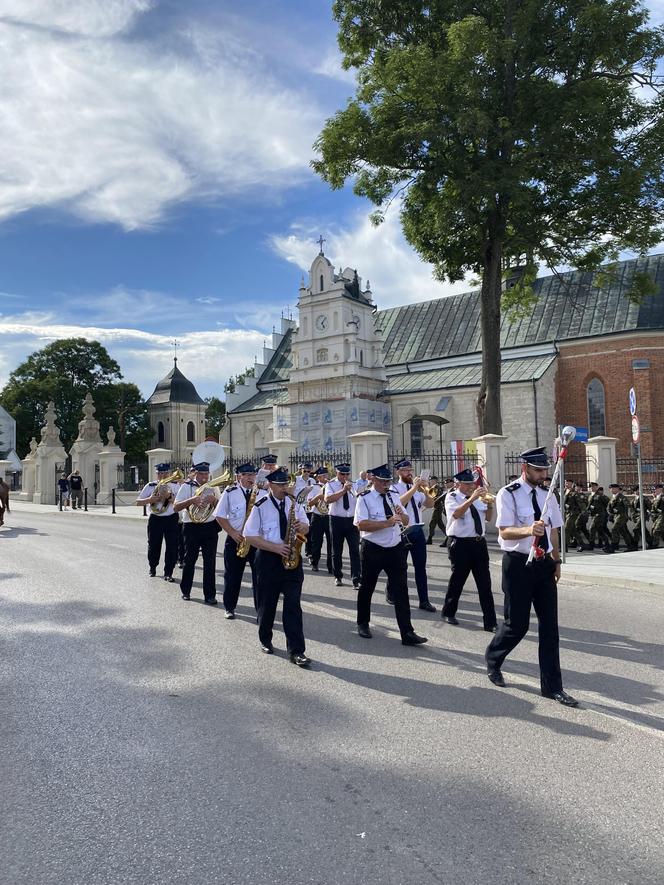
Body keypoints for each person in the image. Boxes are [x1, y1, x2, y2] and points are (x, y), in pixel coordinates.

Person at [485, 446, 578, 707]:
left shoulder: (548, 495)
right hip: (518, 565)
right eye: (538, 470)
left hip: (544, 564)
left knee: (550, 628)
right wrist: (528, 529)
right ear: (524, 468)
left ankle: (552, 687)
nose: (542, 474)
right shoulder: (508, 494)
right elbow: (504, 532)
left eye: (545, 470)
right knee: (517, 625)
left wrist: (557, 560)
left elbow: (554, 531)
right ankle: (493, 658)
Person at [243, 467, 310, 666]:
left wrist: (302, 527)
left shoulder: (294, 504)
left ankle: (297, 651)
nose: (284, 488)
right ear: (270, 485)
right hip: (268, 560)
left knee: (293, 606)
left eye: (285, 484)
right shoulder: (260, 505)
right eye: (280, 484)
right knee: (267, 604)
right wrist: (275, 547)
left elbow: (306, 525)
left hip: (292, 557)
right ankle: (265, 639)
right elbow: (249, 536)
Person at [354, 464, 428, 647]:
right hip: (373, 547)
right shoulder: (364, 498)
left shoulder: (393, 495)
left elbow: (406, 520)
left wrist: (401, 517)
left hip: (395, 547)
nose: (386, 484)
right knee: (367, 587)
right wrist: (386, 523)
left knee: (401, 590)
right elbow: (361, 524)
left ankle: (407, 632)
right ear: (373, 480)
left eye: (388, 481)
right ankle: (363, 623)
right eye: (383, 481)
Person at [441, 468, 497, 632]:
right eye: (466, 484)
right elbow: (457, 514)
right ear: (458, 483)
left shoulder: (478, 498)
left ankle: (490, 622)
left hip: (479, 543)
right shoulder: (452, 497)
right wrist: (472, 499)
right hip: (460, 544)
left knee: (485, 584)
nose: (470, 486)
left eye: (471, 483)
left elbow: (487, 518)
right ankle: (448, 612)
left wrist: (489, 504)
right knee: (458, 580)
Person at [173, 461, 222, 604]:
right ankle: (186, 591)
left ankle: (210, 595)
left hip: (209, 527)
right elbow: (176, 507)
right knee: (189, 560)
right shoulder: (186, 486)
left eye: (206, 474)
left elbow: (221, 508)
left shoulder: (214, 487)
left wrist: (214, 501)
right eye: (201, 474)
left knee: (210, 562)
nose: (204, 477)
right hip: (191, 527)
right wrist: (192, 500)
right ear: (195, 473)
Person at [214, 463, 258, 618]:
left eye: (252, 475)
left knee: (259, 577)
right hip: (236, 539)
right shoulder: (230, 492)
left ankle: (261, 610)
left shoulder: (261, 492)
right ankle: (229, 607)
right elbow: (219, 515)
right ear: (239, 476)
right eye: (247, 475)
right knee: (232, 576)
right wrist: (232, 533)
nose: (250, 478)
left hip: (256, 541)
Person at [392, 459, 437, 612]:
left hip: (418, 531)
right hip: (402, 531)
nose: (409, 473)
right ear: (398, 472)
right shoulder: (393, 488)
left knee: (420, 568)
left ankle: (424, 600)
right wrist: (414, 488)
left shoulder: (417, 489)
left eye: (410, 470)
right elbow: (399, 504)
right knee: (399, 567)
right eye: (405, 470)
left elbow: (430, 504)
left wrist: (426, 489)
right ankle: (392, 592)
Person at [135, 462, 180, 581]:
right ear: (156, 474)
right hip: (156, 518)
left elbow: (180, 503)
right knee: (153, 545)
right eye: (160, 473)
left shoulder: (175, 486)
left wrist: (169, 497)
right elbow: (138, 502)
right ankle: (152, 567)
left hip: (171, 518)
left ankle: (168, 572)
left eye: (165, 473)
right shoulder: (150, 486)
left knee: (172, 546)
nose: (163, 476)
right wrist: (150, 499)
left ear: (170, 473)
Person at [324, 463, 362, 588]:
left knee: (355, 551)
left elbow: (359, 500)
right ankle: (338, 576)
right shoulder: (330, 484)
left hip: (352, 521)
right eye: (342, 474)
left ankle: (356, 578)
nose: (345, 477)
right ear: (337, 473)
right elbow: (328, 499)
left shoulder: (354, 485)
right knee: (337, 550)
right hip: (336, 520)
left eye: (347, 474)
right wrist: (343, 490)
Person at [306, 467, 333, 573]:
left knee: (331, 542)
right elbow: (309, 504)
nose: (326, 477)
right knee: (316, 542)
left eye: (327, 475)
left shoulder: (332, 486)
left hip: (329, 516)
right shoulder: (313, 487)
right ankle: (315, 563)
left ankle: (331, 566)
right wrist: (319, 497)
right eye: (324, 476)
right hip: (317, 517)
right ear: (318, 477)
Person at [607, 483, 636, 552]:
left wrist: (630, 515)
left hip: (622, 516)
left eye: (614, 488)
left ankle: (614, 546)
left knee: (614, 529)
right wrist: (611, 514)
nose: (612, 490)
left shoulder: (622, 497)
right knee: (624, 531)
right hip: (615, 516)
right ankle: (631, 545)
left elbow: (629, 506)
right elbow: (608, 507)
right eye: (611, 489)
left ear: (617, 489)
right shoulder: (612, 497)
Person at [587, 482, 611, 551]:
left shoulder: (600, 495)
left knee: (592, 528)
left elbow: (608, 503)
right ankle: (607, 544)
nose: (592, 488)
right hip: (593, 515)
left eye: (594, 486)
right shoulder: (590, 495)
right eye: (591, 487)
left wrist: (602, 509)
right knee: (600, 530)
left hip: (599, 515)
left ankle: (591, 545)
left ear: (597, 487)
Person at [651, 483, 664, 548]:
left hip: (662, 516)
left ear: (661, 489)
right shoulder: (656, 497)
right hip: (657, 516)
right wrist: (654, 498)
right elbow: (653, 507)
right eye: (655, 489)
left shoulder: (662, 497)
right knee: (660, 531)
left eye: (656, 489)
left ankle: (655, 545)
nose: (655, 490)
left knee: (656, 530)